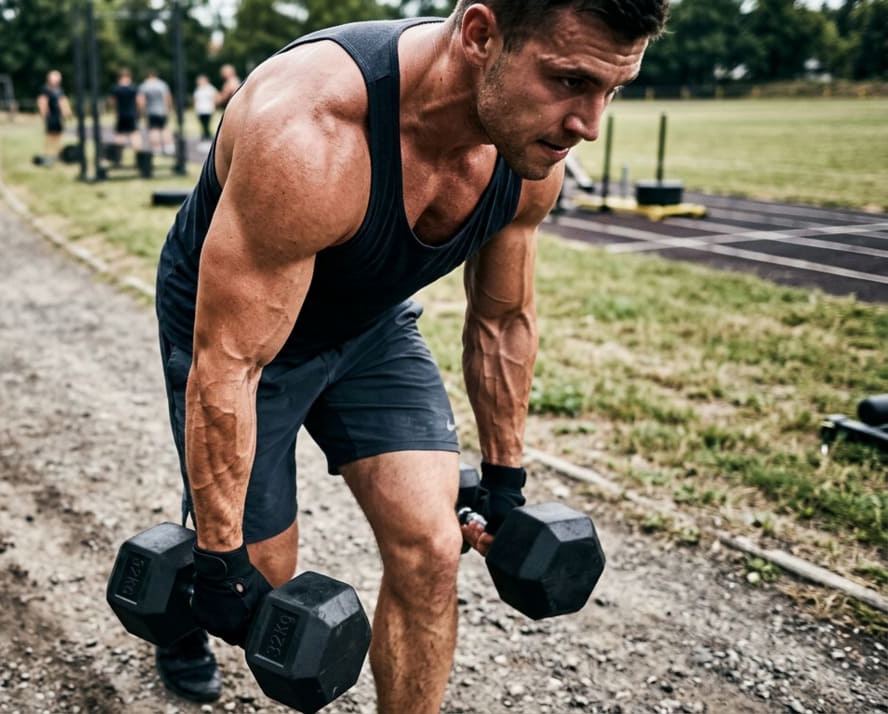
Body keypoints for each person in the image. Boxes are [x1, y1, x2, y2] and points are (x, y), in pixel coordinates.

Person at [150, 0, 668, 710]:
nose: (589, 124)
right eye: (570, 81)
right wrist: (218, 566)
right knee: (256, 572)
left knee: (432, 549)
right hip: (240, 341)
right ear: (482, 34)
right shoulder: (311, 131)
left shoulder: (533, 152)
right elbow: (228, 365)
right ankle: (180, 611)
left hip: (368, 325)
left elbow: (503, 319)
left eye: (612, 90)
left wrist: (505, 478)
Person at [37, 70, 73, 164]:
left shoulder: (59, 90)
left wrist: (67, 112)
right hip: (50, 116)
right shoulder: (45, 89)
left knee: (58, 135)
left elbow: (63, 101)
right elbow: (42, 101)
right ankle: (47, 155)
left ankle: (58, 154)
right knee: (49, 136)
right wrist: (44, 113)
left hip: (58, 116)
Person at [138, 69, 174, 155]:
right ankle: (169, 147)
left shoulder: (144, 85)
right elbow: (167, 97)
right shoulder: (162, 84)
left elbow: (141, 100)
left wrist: (142, 111)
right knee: (164, 128)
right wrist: (169, 109)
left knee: (153, 129)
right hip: (162, 110)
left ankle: (156, 148)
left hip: (151, 111)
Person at [110, 68, 140, 153]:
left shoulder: (116, 88)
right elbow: (138, 101)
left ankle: (117, 157)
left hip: (121, 114)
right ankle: (139, 156)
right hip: (132, 114)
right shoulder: (133, 88)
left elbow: (112, 102)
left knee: (119, 135)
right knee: (134, 134)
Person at [191, 74, 216, 142]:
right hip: (200, 109)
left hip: (208, 109)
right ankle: (204, 134)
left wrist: (213, 107)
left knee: (207, 123)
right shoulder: (198, 89)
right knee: (202, 123)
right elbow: (195, 100)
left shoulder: (210, 88)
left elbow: (213, 98)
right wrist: (195, 108)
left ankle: (207, 134)